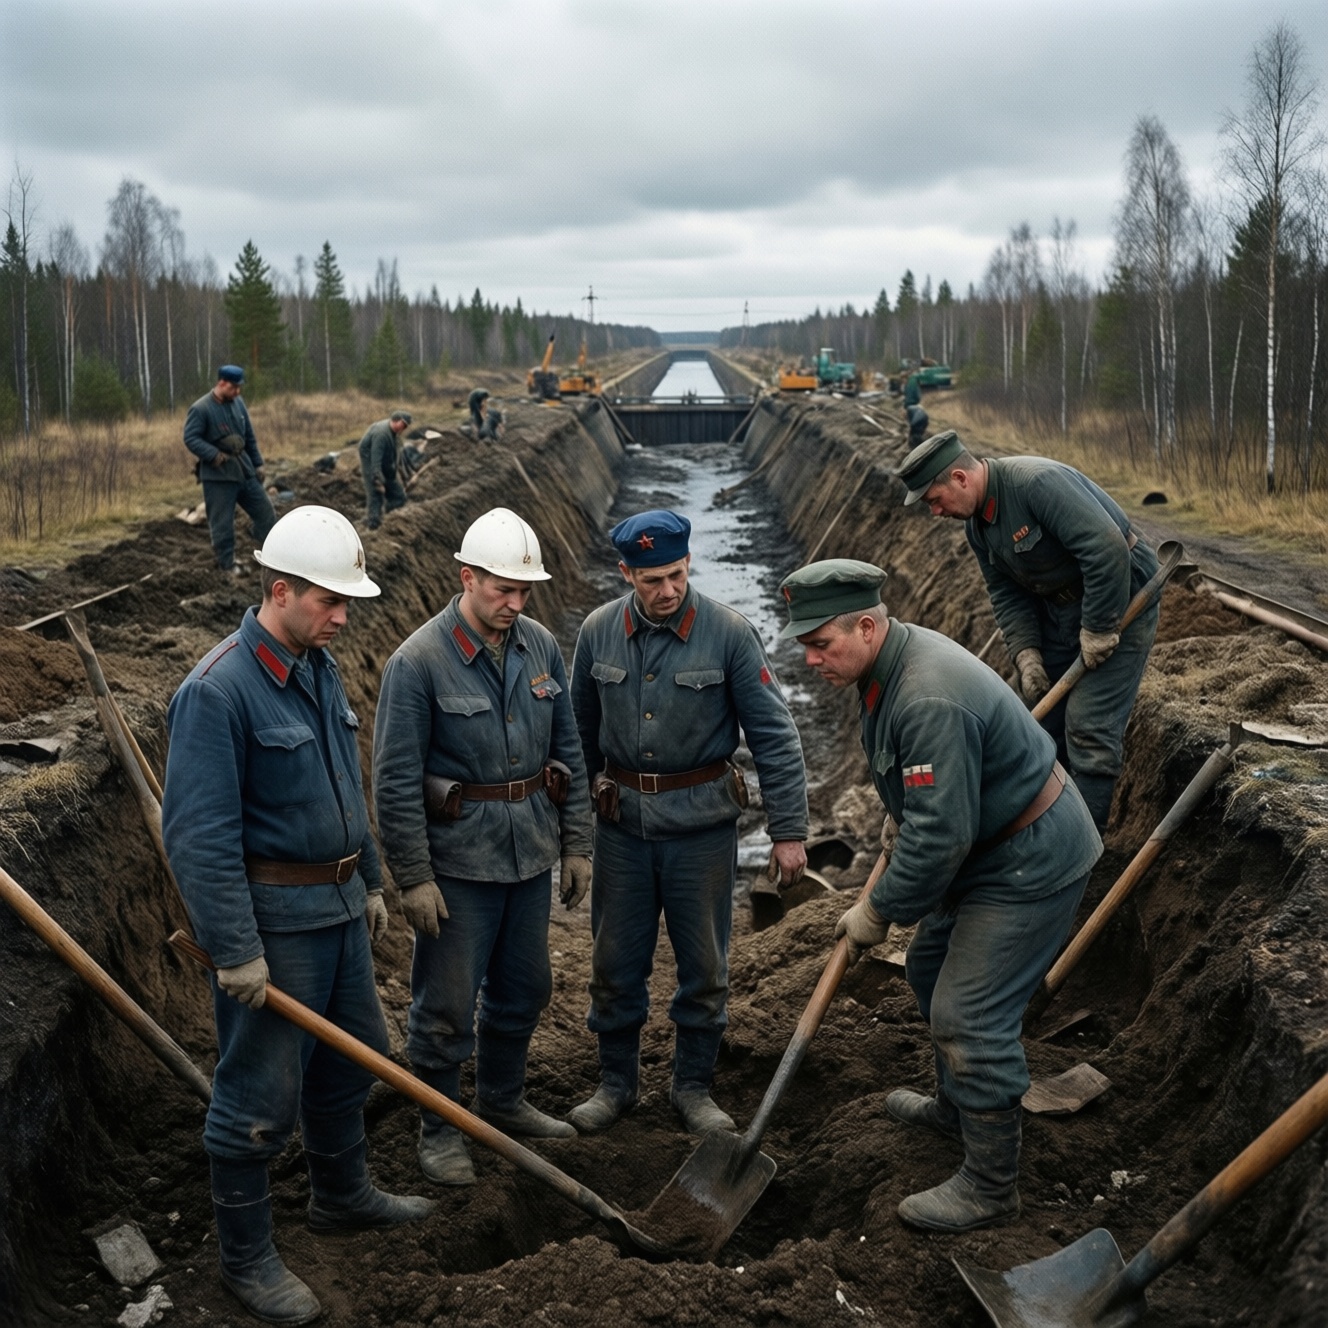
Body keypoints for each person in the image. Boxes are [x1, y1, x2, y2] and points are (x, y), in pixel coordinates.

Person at [162, 506, 432, 1324]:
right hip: (276, 930)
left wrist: (374, 880)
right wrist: (236, 950)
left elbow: (346, 788)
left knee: (357, 1060)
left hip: (342, 912)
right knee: (256, 1096)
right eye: (330, 600)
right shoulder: (217, 692)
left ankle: (341, 1196)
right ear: (280, 592)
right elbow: (199, 837)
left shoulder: (313, 665)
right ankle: (246, 1260)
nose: (345, 615)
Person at [778, 558, 1101, 1232]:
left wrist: (875, 912)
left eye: (820, 645)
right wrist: (908, 808)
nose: (811, 660)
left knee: (967, 1014)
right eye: (804, 646)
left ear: (866, 626)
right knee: (927, 970)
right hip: (992, 846)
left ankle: (990, 1185)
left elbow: (938, 840)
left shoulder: (925, 693)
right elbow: (933, 805)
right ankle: (959, 1108)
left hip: (1029, 857)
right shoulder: (887, 665)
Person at [568, 510, 809, 1136]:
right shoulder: (597, 633)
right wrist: (576, 823)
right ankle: (616, 1084)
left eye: (676, 575)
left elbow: (776, 737)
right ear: (626, 574)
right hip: (621, 830)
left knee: (704, 967)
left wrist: (788, 832)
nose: (668, 590)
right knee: (615, 964)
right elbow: (577, 735)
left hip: (702, 831)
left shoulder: (729, 635)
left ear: (688, 565)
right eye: (651, 580)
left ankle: (693, 1087)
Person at [372, 507, 593, 1186]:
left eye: (524, 592)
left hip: (528, 855)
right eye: (503, 589)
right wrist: (413, 878)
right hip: (458, 868)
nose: (515, 604)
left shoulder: (541, 647)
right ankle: (440, 1126)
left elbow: (568, 752)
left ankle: (502, 1100)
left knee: (525, 988)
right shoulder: (419, 662)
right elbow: (395, 780)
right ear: (467, 578)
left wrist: (577, 843)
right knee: (444, 1005)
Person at [896, 430, 1160, 833]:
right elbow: (1006, 594)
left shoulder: (1035, 483)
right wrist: (1027, 655)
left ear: (960, 479)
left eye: (935, 500)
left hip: (1120, 594)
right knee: (1033, 722)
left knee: (1088, 726)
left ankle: (1082, 845)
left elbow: (1105, 548)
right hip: (1060, 609)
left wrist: (1100, 628)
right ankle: (1038, 831)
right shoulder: (977, 528)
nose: (936, 512)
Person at [183, 365, 277, 576]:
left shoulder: (238, 403)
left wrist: (258, 463)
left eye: (239, 387)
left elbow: (249, 436)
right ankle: (227, 565)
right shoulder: (201, 409)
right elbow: (190, 438)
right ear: (222, 383)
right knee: (222, 525)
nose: (238, 392)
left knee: (266, 513)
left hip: (243, 469)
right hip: (218, 476)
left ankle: (272, 557)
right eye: (234, 387)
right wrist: (213, 454)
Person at [357, 410, 412, 530]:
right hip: (373, 469)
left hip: (386, 468)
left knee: (399, 497)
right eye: (404, 425)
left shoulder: (393, 433)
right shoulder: (381, 434)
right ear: (398, 421)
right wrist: (377, 481)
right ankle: (373, 526)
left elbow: (397, 453)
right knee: (376, 498)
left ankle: (388, 518)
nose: (405, 428)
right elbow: (375, 459)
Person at [902, 372, 929, 448]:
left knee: (915, 436)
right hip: (925, 418)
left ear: (905, 378)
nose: (903, 382)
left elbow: (911, 424)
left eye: (903, 380)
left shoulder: (909, 385)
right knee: (918, 434)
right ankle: (922, 445)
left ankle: (918, 445)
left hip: (918, 417)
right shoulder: (913, 382)